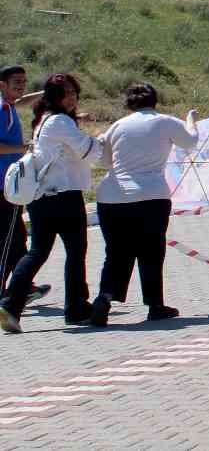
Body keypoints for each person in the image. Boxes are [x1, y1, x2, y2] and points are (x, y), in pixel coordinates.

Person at [90, 82, 198, 327]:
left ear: (128, 103)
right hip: (151, 195)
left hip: (111, 196)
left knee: (116, 252)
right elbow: (190, 141)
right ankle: (155, 305)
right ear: (154, 100)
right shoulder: (166, 122)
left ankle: (104, 297)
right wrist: (191, 119)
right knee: (151, 251)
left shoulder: (116, 126)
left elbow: (104, 162)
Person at [0, 74, 101, 332]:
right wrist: (99, 139)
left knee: (38, 252)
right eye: (66, 93)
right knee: (75, 251)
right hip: (63, 196)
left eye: (74, 93)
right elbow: (89, 151)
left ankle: (10, 306)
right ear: (54, 97)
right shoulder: (60, 121)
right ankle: (77, 308)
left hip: (41, 198)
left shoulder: (44, 120)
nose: (72, 98)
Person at [0, 64, 44, 304]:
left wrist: (43, 92)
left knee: (16, 238)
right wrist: (24, 147)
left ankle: (23, 285)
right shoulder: (1, 109)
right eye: (16, 81)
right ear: (2, 85)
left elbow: (22, 100)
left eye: (24, 81)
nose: (21, 85)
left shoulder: (8, 105)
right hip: (3, 186)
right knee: (9, 239)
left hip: (9, 185)